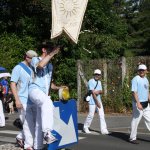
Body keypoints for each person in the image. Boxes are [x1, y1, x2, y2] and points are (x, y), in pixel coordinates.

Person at [28, 41, 62, 149]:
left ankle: (38, 146)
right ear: (44, 50)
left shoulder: (50, 65)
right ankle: (47, 133)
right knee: (48, 102)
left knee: (39, 122)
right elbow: (40, 66)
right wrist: (52, 54)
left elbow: (49, 84)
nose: (52, 50)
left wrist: (59, 87)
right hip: (34, 90)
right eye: (50, 48)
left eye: (53, 49)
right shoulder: (35, 59)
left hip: (44, 93)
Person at [10, 50, 38, 149]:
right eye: (32, 58)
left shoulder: (31, 68)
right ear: (26, 57)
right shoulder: (18, 68)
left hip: (31, 99)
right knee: (27, 123)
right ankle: (28, 145)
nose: (34, 60)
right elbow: (13, 83)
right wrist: (17, 100)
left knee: (34, 122)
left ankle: (20, 137)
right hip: (22, 98)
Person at [83, 69, 109, 135]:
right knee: (91, 115)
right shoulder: (90, 81)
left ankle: (103, 129)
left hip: (98, 100)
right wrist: (97, 102)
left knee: (101, 115)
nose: (97, 75)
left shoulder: (99, 82)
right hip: (92, 101)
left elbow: (101, 91)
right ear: (94, 74)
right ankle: (85, 127)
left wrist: (98, 91)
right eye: (96, 74)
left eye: (98, 75)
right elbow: (93, 93)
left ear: (100, 76)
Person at [129, 64, 150, 144]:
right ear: (138, 71)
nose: (141, 71)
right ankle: (132, 138)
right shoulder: (135, 79)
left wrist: (149, 99)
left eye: (143, 70)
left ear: (146, 71)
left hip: (146, 104)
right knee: (136, 120)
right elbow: (134, 92)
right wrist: (138, 103)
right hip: (138, 103)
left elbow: (147, 90)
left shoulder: (146, 79)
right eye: (140, 70)